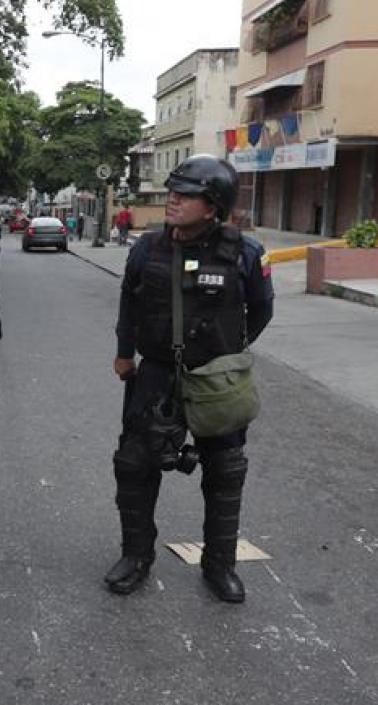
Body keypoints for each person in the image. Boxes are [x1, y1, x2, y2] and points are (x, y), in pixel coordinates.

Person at [105, 154, 274, 602]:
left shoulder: (245, 253)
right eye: (172, 191)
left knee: (225, 471)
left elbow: (261, 310)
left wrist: (226, 353)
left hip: (216, 381)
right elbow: (128, 301)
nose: (173, 200)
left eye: (186, 194)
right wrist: (125, 352)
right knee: (135, 466)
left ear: (213, 204)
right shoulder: (147, 248)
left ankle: (219, 566)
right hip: (156, 375)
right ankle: (136, 556)